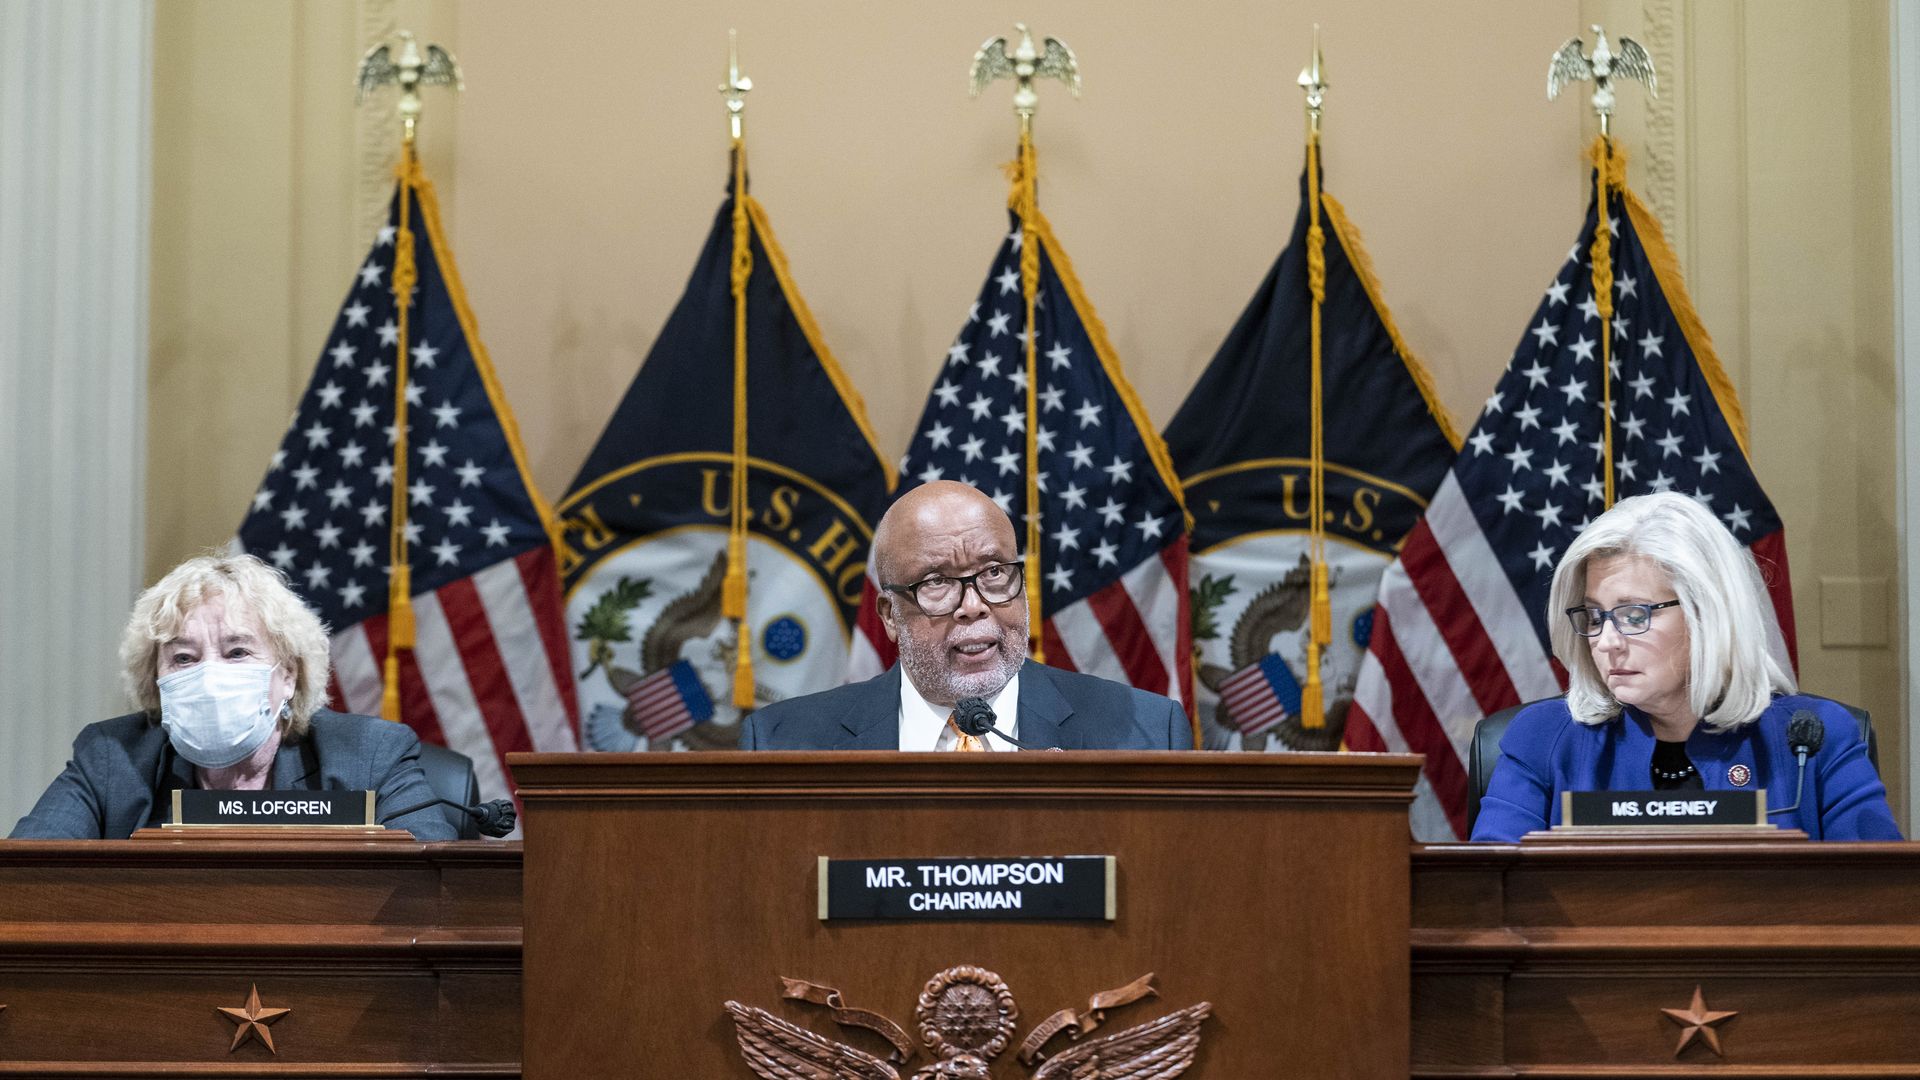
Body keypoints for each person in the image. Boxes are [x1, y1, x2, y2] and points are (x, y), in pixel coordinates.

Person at [1472, 492, 1900, 841]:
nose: (1606, 643)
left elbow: (1878, 901)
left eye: (1634, 616)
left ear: (1706, 614)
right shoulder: (1543, 739)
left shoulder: (1812, 739)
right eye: (1596, 616)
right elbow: (1488, 901)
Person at [11, 553, 458, 840]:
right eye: (183, 658)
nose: (209, 676)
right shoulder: (111, 760)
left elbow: (434, 890)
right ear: (156, 682)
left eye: (237, 652)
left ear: (287, 675)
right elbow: (26, 879)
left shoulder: (370, 756)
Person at [740, 481, 1193, 751]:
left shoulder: (1147, 732)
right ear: (890, 615)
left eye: (995, 572)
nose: (973, 605)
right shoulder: (784, 742)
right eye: (936, 582)